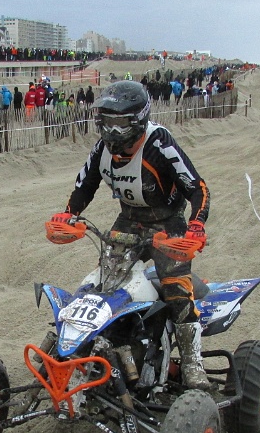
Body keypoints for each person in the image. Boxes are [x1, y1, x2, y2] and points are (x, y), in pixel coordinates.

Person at [49, 80, 212, 390]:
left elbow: (198, 188)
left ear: (138, 119)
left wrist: (197, 225)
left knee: (176, 289)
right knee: (104, 285)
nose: (112, 130)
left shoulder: (158, 143)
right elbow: (84, 186)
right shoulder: (102, 148)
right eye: (107, 121)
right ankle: (94, 349)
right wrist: (69, 214)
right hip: (128, 221)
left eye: (120, 122)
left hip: (167, 224)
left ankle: (192, 363)